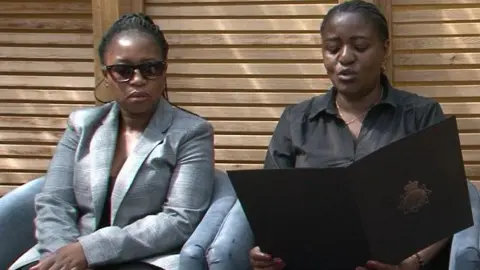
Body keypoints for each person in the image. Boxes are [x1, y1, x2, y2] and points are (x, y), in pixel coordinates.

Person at [249, 1, 452, 269]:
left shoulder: (421, 115)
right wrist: (265, 252)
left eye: (360, 47)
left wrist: (411, 263)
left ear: (385, 50)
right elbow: (272, 206)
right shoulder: (295, 120)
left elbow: (446, 206)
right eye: (333, 48)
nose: (345, 58)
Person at [9, 13, 215, 270]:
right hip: (68, 251)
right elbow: (55, 201)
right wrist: (62, 254)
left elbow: (179, 219)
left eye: (150, 68)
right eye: (123, 70)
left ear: (164, 71)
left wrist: (90, 250)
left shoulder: (192, 132)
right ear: (106, 75)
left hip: (144, 257)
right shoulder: (82, 125)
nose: (138, 80)